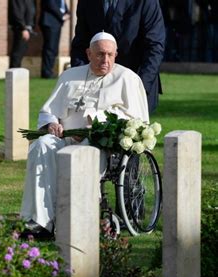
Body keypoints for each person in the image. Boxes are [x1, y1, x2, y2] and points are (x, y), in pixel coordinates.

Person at [20, 32, 149, 236]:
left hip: (102, 146)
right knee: (41, 145)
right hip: (65, 139)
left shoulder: (128, 79)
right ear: (89, 53)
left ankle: (77, 220)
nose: (104, 60)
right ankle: (40, 220)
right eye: (99, 54)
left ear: (116, 54)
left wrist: (97, 122)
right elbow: (48, 111)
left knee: (84, 151)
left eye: (109, 55)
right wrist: (52, 123)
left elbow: (137, 120)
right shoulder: (70, 76)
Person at [70, 0, 166, 113]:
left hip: (135, 79)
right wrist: (80, 80)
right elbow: (80, 45)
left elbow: (154, 47)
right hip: (95, 85)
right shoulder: (87, 2)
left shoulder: (146, 2)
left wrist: (141, 87)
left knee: (132, 129)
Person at [39, 0, 70, 78]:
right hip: (50, 22)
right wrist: (62, 15)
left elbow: (62, 4)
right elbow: (50, 4)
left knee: (54, 48)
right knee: (50, 47)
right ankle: (46, 72)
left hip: (57, 22)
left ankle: (49, 70)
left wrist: (67, 13)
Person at [8, 0, 37, 68]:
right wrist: (23, 28)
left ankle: (17, 70)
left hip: (27, 28)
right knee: (18, 51)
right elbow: (17, 13)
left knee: (22, 50)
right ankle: (14, 71)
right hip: (21, 28)